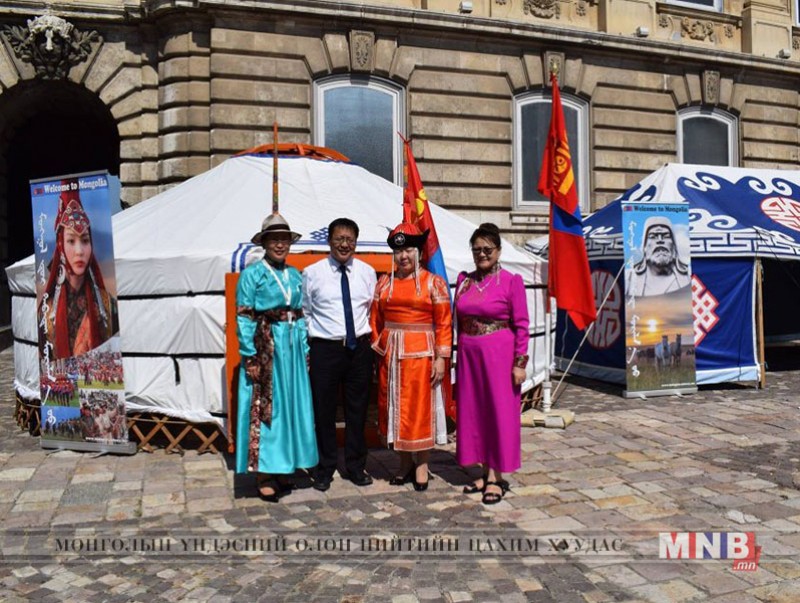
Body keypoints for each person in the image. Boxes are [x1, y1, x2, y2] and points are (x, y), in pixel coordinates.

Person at [235, 213, 318, 502]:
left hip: (292, 348)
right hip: (267, 347)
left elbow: (302, 314)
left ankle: (284, 466)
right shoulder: (252, 275)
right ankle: (264, 474)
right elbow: (244, 317)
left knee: (290, 406)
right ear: (264, 243)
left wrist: (305, 350)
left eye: (284, 239)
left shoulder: (295, 275)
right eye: (274, 239)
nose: (280, 245)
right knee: (268, 409)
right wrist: (250, 356)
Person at [370, 223, 452, 491]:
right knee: (394, 409)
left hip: (421, 356)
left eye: (408, 250)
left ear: (418, 252)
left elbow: (444, 323)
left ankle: (422, 465)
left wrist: (441, 358)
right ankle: (404, 463)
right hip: (391, 356)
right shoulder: (385, 282)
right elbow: (375, 319)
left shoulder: (433, 283)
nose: (403, 256)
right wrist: (379, 347)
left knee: (419, 411)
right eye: (398, 251)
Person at [455, 223, 529, 505]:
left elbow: (522, 325)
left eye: (487, 249)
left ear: (498, 251)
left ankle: (496, 478)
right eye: (477, 250)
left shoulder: (511, 281)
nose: (482, 254)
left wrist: (519, 363)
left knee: (499, 413)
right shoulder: (464, 281)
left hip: (499, 356)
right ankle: (483, 471)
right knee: (475, 413)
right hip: (469, 356)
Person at [303, 218, 377, 491]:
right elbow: (305, 311)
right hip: (326, 349)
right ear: (329, 240)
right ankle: (325, 467)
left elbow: (371, 309)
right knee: (323, 411)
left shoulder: (367, 272)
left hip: (359, 349)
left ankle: (356, 466)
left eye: (350, 239)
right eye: (339, 239)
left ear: (356, 242)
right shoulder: (313, 273)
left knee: (358, 410)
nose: (344, 244)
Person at [38, 187, 116, 361]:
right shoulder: (46, 312)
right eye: (71, 241)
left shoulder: (107, 305)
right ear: (61, 245)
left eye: (85, 240)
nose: (79, 251)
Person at [628, 217, 691, 297]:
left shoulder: (689, 276)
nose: (660, 240)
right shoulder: (629, 279)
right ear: (644, 247)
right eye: (653, 236)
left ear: (674, 246)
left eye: (666, 236)